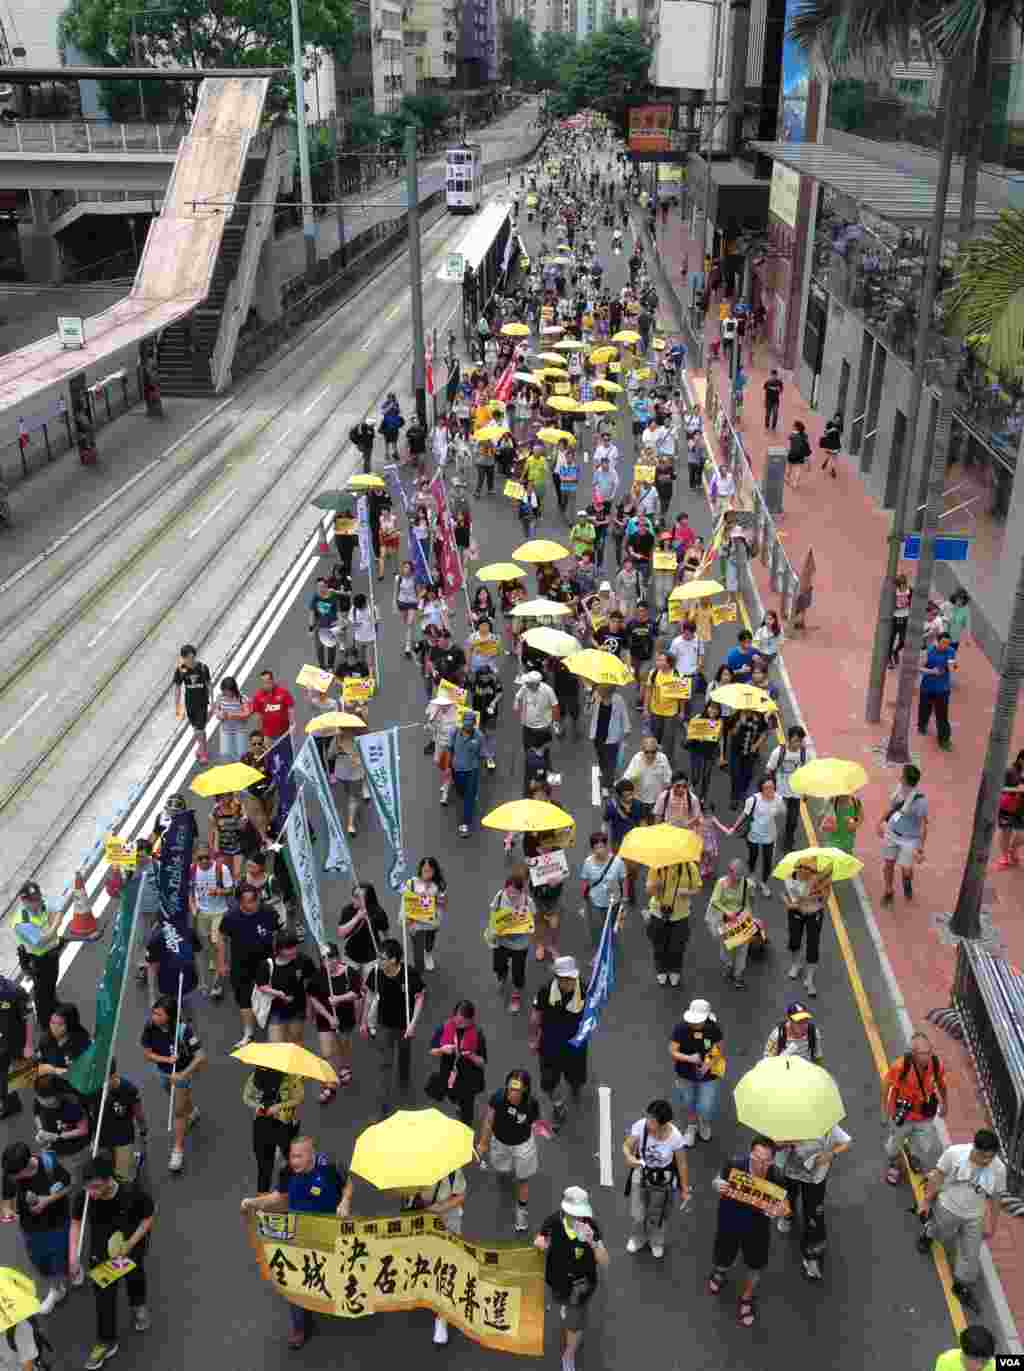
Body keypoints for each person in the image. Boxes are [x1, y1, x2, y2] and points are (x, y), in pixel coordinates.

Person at [240, 1136, 353, 1350]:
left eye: (299, 1157)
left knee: (327, 1273)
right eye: (292, 1156)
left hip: (327, 1232)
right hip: (297, 1233)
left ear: (312, 1155)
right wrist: (253, 1202)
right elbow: (277, 1197)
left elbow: (348, 1185)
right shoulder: (287, 1171)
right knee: (294, 1278)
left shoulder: (330, 1167)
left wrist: (345, 1202)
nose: (294, 1161)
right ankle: (299, 1327)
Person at [70, 1153, 155, 1369]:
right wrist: (73, 1256)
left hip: (130, 1247)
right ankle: (106, 1341)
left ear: (109, 1180)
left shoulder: (131, 1192)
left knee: (135, 1277)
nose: (91, 1193)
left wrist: (131, 1244)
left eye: (96, 1187)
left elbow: (148, 1218)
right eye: (88, 1187)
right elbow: (76, 1223)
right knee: (103, 1296)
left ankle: (138, 1305)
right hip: (102, 1253)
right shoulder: (85, 1197)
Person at [917, 1129, 1006, 1315]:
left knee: (970, 1254)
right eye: (983, 1156)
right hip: (947, 1207)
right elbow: (937, 1177)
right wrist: (926, 1201)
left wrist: (993, 1224)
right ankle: (928, 1234)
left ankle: (961, 1285)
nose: (986, 1161)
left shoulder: (998, 1169)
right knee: (938, 1231)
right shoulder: (954, 1154)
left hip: (975, 1216)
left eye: (991, 1157)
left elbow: (996, 1197)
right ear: (974, 1147)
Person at [707, 1135, 790, 1328]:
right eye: (756, 1158)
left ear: (773, 1160)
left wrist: (781, 1211)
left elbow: (786, 1206)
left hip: (757, 1229)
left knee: (755, 1265)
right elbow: (716, 1180)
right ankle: (720, 1272)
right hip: (729, 1222)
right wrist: (717, 1184)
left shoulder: (777, 1176)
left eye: (766, 1161)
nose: (760, 1164)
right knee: (723, 1256)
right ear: (750, 1153)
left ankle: (747, 1297)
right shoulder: (735, 1164)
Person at [535, 1186, 609, 1371]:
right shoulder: (553, 1221)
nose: (579, 1219)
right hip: (557, 1281)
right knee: (563, 1303)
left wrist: (593, 1242)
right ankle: (567, 1310)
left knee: (574, 1325)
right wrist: (540, 1242)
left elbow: (605, 1262)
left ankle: (569, 1354)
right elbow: (541, 1238)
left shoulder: (591, 1228)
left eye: (581, 1214)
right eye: (574, 1214)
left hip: (580, 1287)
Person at [1, 1142, 72, 1316]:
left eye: (16, 1175)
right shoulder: (11, 1172)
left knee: (58, 1260)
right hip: (30, 1228)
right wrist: (8, 1210)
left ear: (26, 1167)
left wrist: (46, 1201)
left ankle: (56, 1290)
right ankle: (61, 1280)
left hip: (56, 1223)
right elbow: (7, 1198)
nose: (13, 1178)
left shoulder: (49, 1165)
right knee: (41, 1261)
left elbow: (69, 1186)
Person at [360, 938, 425, 1119]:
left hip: (405, 1026)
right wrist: (364, 1021)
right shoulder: (376, 973)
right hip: (384, 1025)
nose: (378, 961)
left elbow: (420, 997)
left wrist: (413, 1024)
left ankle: (404, 1083)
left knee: (404, 1056)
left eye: (382, 958)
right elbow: (370, 997)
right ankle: (381, 1108)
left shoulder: (409, 974)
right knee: (384, 1065)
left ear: (394, 960)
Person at [778, 1120, 851, 1281]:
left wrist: (831, 1154)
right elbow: (771, 1145)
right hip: (789, 1173)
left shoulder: (827, 1124)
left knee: (814, 1217)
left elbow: (847, 1142)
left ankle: (812, 1257)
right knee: (788, 1198)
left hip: (815, 1179)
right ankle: (788, 1216)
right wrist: (783, 1143)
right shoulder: (785, 1121)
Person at [139, 995, 204, 1174]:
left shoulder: (184, 1031)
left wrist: (182, 1074)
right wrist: (167, 1059)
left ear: (170, 1016)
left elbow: (201, 1057)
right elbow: (147, 1054)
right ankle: (192, 1111)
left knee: (178, 1111)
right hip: (163, 1073)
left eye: (159, 1014)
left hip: (182, 1075)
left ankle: (177, 1150)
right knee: (177, 1100)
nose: (154, 1017)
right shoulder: (149, 1027)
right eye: (154, 1013)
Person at [623, 1098, 689, 1258]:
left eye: (652, 1120)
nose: (648, 1122)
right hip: (642, 1172)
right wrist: (629, 1156)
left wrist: (684, 1189)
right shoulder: (641, 1126)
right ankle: (638, 1238)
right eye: (648, 1117)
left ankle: (656, 1241)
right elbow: (627, 1145)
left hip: (663, 1179)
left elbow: (682, 1164)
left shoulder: (675, 1137)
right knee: (638, 1213)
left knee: (658, 1215)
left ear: (664, 1124)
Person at [477, 1070, 541, 1234]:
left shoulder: (531, 1104)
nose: (512, 1093)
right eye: (510, 1088)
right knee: (502, 1171)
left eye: (516, 1089)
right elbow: (489, 1121)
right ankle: (506, 1176)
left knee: (523, 1180)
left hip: (523, 1145)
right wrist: (483, 1142)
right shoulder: (498, 1099)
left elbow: (534, 1122)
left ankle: (522, 1212)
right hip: (500, 1143)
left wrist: (539, 1129)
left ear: (525, 1089)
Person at [529, 957, 588, 1133]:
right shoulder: (545, 990)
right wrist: (534, 1039)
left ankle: (575, 1086)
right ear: (556, 977)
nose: (568, 982)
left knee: (576, 1077)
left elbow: (592, 1014)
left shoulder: (585, 990)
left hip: (575, 1043)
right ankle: (558, 1105)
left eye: (571, 978)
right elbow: (536, 1015)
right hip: (550, 1043)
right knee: (548, 1082)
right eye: (564, 978)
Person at [219, 885, 282, 1048]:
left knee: (269, 994)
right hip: (241, 964)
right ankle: (248, 1032)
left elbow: (278, 934)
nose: (254, 904)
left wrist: (279, 957)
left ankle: (273, 1027)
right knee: (244, 999)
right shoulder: (230, 917)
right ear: (240, 902)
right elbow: (222, 938)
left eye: (256, 899)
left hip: (265, 962)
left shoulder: (268, 912)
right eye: (249, 901)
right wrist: (222, 962)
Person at [883, 1031, 948, 1184]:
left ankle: (913, 1156)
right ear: (913, 1053)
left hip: (924, 1115)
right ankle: (895, 1164)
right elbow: (886, 1087)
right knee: (895, 1145)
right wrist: (884, 1111)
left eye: (929, 1052)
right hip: (902, 1115)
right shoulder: (900, 1067)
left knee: (922, 1144)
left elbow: (941, 1085)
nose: (927, 1056)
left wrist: (945, 1104)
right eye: (923, 1053)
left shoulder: (936, 1065)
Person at [305, 945, 360, 1099]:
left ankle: (345, 1066)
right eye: (325, 959)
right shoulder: (318, 975)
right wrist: (329, 1017)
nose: (329, 962)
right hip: (325, 1019)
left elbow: (356, 993)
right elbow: (313, 998)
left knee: (343, 1045)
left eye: (332, 958)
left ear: (338, 958)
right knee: (327, 1052)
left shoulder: (349, 972)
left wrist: (339, 999)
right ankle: (330, 1083)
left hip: (346, 1017)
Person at [670, 999, 724, 1146]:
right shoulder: (680, 1028)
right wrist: (689, 1058)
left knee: (706, 1105)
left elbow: (718, 1047)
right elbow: (673, 1051)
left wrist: (708, 1063)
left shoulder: (713, 1028)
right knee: (689, 1102)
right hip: (685, 1073)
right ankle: (692, 1126)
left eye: (699, 1021)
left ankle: (704, 1122)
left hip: (709, 1074)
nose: (695, 1024)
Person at [14, 882, 63, 1035]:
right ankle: (45, 1023)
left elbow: (57, 908)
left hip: (51, 954)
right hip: (38, 961)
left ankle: (53, 1004)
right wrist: (55, 925)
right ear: (24, 901)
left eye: (38, 897)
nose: (38, 901)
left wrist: (52, 927)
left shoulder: (42, 904)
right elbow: (41, 941)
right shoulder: (22, 921)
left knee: (50, 985)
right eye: (33, 900)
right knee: (42, 994)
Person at [641, 859, 701, 987]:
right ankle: (661, 969)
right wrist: (655, 887)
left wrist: (687, 892)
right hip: (658, 912)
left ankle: (675, 970)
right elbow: (648, 891)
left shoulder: (690, 867)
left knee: (678, 946)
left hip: (681, 914)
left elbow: (697, 888)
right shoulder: (656, 867)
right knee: (659, 944)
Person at [243, 1066, 303, 1192]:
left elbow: (298, 1098)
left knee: (291, 1160)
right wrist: (258, 1106)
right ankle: (262, 1196)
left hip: (284, 1124)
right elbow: (246, 1097)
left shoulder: (290, 1076)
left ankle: (291, 1191)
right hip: (262, 1123)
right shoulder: (256, 1075)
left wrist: (279, 1107)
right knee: (264, 1165)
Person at [485, 869, 536, 1015]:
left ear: (522, 891)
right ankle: (502, 976)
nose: (512, 895)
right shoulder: (500, 897)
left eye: (516, 893)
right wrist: (493, 930)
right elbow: (493, 913)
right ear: (505, 888)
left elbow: (532, 918)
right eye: (509, 892)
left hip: (520, 945)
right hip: (502, 941)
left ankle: (515, 995)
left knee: (518, 971)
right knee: (499, 965)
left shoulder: (527, 901)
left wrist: (527, 928)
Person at [428, 1000, 486, 1126]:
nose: (461, 1025)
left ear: (471, 1020)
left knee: (467, 1114)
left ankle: (466, 1126)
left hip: (469, 1080)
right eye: (458, 1021)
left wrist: (471, 1055)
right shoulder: (444, 1028)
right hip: (449, 1075)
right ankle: (458, 1104)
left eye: (465, 1022)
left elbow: (482, 1062)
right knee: (453, 1097)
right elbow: (432, 1050)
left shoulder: (477, 1033)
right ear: (454, 1016)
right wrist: (442, 1050)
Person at [878, 764, 928, 906]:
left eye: (902, 775)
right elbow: (891, 808)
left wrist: (920, 848)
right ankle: (888, 891)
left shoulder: (920, 801)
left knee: (906, 870)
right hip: (892, 833)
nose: (900, 777)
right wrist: (880, 822)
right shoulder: (899, 790)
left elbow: (924, 825)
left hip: (909, 839)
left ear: (906, 780)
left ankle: (907, 880)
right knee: (888, 864)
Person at [782, 857, 832, 998]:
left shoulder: (820, 880)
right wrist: (792, 903)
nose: (809, 872)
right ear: (799, 868)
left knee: (813, 945)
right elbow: (793, 900)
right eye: (806, 869)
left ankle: (809, 978)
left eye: (812, 870)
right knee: (794, 941)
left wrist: (821, 890)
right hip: (796, 912)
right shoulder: (789, 879)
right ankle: (796, 964)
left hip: (814, 914)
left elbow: (825, 901)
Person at [188, 845, 233, 998]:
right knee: (207, 943)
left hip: (219, 912)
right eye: (200, 858)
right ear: (195, 858)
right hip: (202, 913)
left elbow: (231, 890)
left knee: (217, 942)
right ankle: (215, 960)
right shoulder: (192, 870)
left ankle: (217, 983)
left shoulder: (221, 869)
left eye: (207, 857)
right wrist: (193, 906)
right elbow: (190, 890)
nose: (204, 861)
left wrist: (219, 891)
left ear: (211, 856)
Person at [256, 931, 315, 1045]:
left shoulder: (304, 960)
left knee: (295, 1042)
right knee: (276, 1045)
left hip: (297, 1009)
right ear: (279, 950)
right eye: (288, 948)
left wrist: (309, 1008)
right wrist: (279, 994)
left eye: (294, 946)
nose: (293, 950)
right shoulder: (267, 964)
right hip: (275, 1009)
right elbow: (262, 986)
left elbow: (310, 985)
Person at [32, 1077, 90, 1192]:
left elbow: (83, 1130)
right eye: (38, 1097)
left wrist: (57, 1137)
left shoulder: (72, 1104)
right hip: (53, 1148)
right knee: (59, 1173)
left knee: (78, 1179)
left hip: (75, 1151)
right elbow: (37, 1114)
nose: (39, 1100)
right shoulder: (39, 1099)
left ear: (56, 1096)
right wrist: (41, 1131)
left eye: (43, 1099)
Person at [95, 1060, 147, 1184]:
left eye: (106, 1079)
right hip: (102, 1137)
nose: (103, 1083)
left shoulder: (129, 1089)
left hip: (123, 1137)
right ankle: (131, 1158)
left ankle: (133, 1163)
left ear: (114, 1075)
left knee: (123, 1177)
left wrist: (143, 1129)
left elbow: (138, 1113)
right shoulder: (94, 1089)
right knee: (105, 1172)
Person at [707, 859, 755, 990]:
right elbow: (715, 901)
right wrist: (727, 911)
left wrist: (749, 915)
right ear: (729, 871)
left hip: (742, 919)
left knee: (742, 949)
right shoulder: (721, 883)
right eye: (735, 876)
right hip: (726, 920)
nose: (737, 880)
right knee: (726, 947)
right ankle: (728, 964)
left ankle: (738, 974)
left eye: (740, 876)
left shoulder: (747, 884)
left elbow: (751, 900)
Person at [578, 832, 626, 954]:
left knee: (612, 927)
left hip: (614, 902)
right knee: (597, 928)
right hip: (595, 902)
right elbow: (584, 880)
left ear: (606, 846)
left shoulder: (617, 862)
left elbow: (624, 880)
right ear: (592, 849)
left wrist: (624, 899)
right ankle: (599, 953)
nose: (600, 850)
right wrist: (584, 898)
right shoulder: (588, 862)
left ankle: (609, 948)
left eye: (602, 847)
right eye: (596, 847)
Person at [399, 857, 447, 973]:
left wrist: (436, 901)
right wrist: (404, 918)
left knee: (429, 942)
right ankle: (418, 971)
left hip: (430, 921)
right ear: (420, 869)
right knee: (417, 949)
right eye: (425, 870)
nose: (427, 873)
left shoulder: (439, 885)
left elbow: (443, 904)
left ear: (435, 871)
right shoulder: (411, 883)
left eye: (430, 870)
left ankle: (428, 954)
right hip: (415, 923)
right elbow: (405, 901)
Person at [918, 630, 958, 751]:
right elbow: (919, 667)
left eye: (948, 643)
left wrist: (953, 667)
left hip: (943, 689)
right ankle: (922, 726)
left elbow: (952, 666)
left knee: (942, 716)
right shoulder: (929, 651)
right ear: (937, 641)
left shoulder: (951, 651)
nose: (946, 645)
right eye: (943, 643)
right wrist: (932, 671)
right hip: (927, 687)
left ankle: (944, 740)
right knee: (925, 709)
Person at [172, 644, 211, 763]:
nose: (191, 660)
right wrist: (177, 706)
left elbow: (209, 684)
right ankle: (201, 747)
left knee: (200, 729)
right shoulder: (181, 670)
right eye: (188, 658)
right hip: (190, 704)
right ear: (183, 658)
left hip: (202, 703)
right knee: (196, 729)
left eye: (192, 657)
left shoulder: (202, 668)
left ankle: (203, 753)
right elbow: (177, 687)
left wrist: (213, 701)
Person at [0, 973, 31, 1121]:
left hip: (14, 1039)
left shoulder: (15, 992)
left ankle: (12, 1104)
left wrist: (28, 1044)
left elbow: (28, 1017)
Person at [515, 670, 561, 758]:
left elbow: (555, 706)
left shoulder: (548, 690)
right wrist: (516, 703)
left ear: (535, 684)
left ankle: (544, 759)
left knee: (544, 746)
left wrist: (555, 722)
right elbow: (518, 696)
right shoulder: (525, 687)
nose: (526, 684)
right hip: (527, 725)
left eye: (528, 683)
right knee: (527, 747)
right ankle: (530, 760)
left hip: (542, 726)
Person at [785, 420, 811, 488]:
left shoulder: (792, 434)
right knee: (798, 470)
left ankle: (787, 478)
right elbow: (807, 445)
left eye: (793, 425)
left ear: (796, 427)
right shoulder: (805, 435)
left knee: (789, 467)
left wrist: (787, 451)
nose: (792, 426)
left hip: (792, 453)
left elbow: (788, 444)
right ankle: (795, 483)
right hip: (800, 455)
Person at [819, 412, 843, 478]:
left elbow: (841, 434)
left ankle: (833, 470)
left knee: (834, 457)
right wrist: (832, 430)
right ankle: (826, 461)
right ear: (834, 418)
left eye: (839, 419)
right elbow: (825, 432)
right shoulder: (829, 423)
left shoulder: (840, 425)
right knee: (829, 455)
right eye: (837, 418)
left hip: (836, 442)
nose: (838, 420)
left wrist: (838, 432)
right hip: (829, 442)